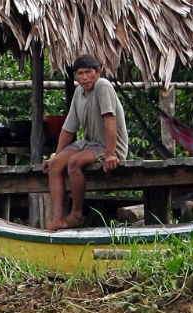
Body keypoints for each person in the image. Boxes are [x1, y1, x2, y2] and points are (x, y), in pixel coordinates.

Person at [43, 54, 129, 231]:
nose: (84, 77)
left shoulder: (102, 86)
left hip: (109, 146)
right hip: (89, 143)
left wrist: (111, 154)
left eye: (88, 72)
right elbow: (68, 130)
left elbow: (110, 119)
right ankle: (58, 218)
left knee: (74, 162)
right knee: (55, 165)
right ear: (75, 75)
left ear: (98, 72)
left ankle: (76, 214)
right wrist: (56, 156)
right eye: (80, 73)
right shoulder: (78, 93)